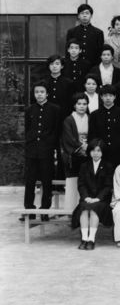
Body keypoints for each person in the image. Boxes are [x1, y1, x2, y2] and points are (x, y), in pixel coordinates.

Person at [22, 82, 60, 221]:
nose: (39, 94)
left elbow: (56, 130)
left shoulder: (55, 109)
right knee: (30, 181)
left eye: (42, 92)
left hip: (47, 150)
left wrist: (52, 147)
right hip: (32, 150)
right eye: (37, 92)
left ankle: (45, 210)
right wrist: (29, 142)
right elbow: (27, 129)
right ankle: (29, 210)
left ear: (47, 94)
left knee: (46, 181)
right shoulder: (29, 109)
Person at [71, 139, 113, 249]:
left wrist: (98, 198)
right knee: (84, 209)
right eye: (93, 150)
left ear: (102, 152)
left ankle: (91, 239)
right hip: (87, 198)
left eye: (99, 151)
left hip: (102, 200)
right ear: (89, 152)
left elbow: (108, 186)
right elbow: (81, 184)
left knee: (94, 209)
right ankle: (84, 238)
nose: (96, 153)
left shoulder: (108, 166)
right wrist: (86, 197)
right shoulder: (84, 166)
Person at [89, 84, 120, 167]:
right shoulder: (94, 115)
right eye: (105, 95)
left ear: (115, 97)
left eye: (110, 95)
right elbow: (92, 135)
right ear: (101, 97)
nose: (108, 98)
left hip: (118, 152)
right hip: (100, 152)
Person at [61, 93, 90, 189]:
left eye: (84, 104)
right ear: (74, 105)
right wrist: (81, 146)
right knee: (73, 183)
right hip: (74, 154)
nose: (82, 106)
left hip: (88, 153)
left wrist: (89, 146)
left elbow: (94, 135)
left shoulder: (90, 118)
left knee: (87, 181)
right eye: (79, 104)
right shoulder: (68, 120)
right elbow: (68, 138)